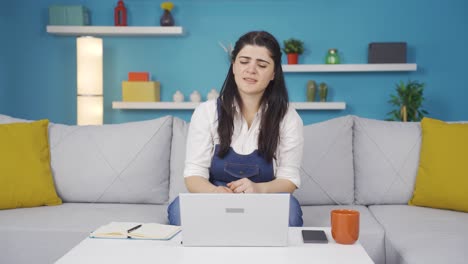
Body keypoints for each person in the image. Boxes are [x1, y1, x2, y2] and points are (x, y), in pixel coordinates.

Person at [168, 30, 304, 227]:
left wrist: (258, 189)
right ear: (233, 66)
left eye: (262, 65)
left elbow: (289, 180)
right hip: (214, 197)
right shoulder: (206, 112)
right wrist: (216, 192)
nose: (251, 70)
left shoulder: (288, 117)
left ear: (274, 73)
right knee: (179, 210)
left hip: (263, 197)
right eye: (244, 61)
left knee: (290, 212)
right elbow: (193, 176)